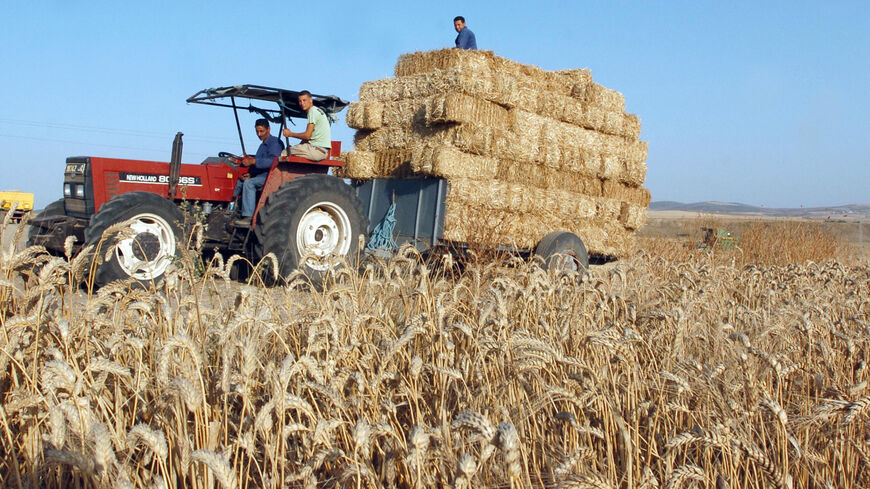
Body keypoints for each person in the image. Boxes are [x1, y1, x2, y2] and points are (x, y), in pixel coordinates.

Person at [233, 119, 283, 227]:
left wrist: (254, 161)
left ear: (268, 129)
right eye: (257, 131)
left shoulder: (275, 143)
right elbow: (260, 164)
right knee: (241, 181)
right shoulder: (262, 145)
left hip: (271, 176)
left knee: (249, 184)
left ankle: (248, 216)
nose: (259, 134)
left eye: (261, 131)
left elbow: (273, 161)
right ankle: (231, 208)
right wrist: (251, 174)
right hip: (261, 175)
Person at [282, 90, 331, 162]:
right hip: (322, 151)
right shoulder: (317, 110)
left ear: (311, 100)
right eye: (300, 101)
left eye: (304, 100)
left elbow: (307, 136)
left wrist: (290, 134)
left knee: (285, 152)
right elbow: (308, 137)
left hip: (315, 150)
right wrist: (299, 145)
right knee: (293, 149)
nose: (302, 103)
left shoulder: (312, 111)